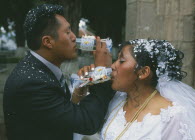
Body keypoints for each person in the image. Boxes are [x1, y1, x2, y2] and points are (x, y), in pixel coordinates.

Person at [3, 4, 114, 140]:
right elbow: (87, 122)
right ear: (48, 41)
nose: (75, 37)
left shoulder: (40, 68)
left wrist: (78, 94)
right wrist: (101, 72)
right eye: (67, 32)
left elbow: (59, 115)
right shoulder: (32, 83)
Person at [79, 39, 195, 139]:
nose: (113, 66)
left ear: (143, 72)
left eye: (122, 61)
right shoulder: (116, 101)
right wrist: (81, 90)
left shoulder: (172, 117)